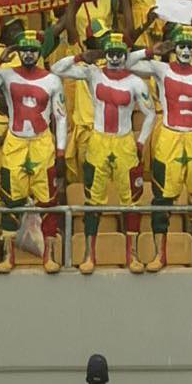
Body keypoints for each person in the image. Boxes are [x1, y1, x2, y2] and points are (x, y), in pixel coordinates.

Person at [51, 33, 156, 274]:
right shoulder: (92, 74)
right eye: (111, 53)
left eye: (120, 54)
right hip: (98, 142)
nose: (115, 58)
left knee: (131, 202)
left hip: (125, 143)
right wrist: (80, 56)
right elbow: (57, 69)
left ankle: (133, 255)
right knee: (92, 201)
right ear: (104, 54)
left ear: (125, 56)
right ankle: (89, 255)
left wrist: (140, 143)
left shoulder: (136, 82)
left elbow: (150, 114)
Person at [128, 27, 192, 272]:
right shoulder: (161, 70)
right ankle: (161, 255)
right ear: (174, 49)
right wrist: (151, 50)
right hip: (169, 136)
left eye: (189, 47)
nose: (185, 51)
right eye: (180, 46)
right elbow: (128, 63)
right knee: (162, 199)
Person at [0, 29, 67, 274]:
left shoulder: (52, 80)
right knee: (12, 201)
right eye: (24, 50)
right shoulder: (7, 75)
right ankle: (9, 255)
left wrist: (60, 153)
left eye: (33, 50)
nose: (28, 54)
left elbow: (61, 118)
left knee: (47, 203)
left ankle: (48, 255)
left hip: (42, 143)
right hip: (15, 144)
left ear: (39, 52)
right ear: (18, 52)